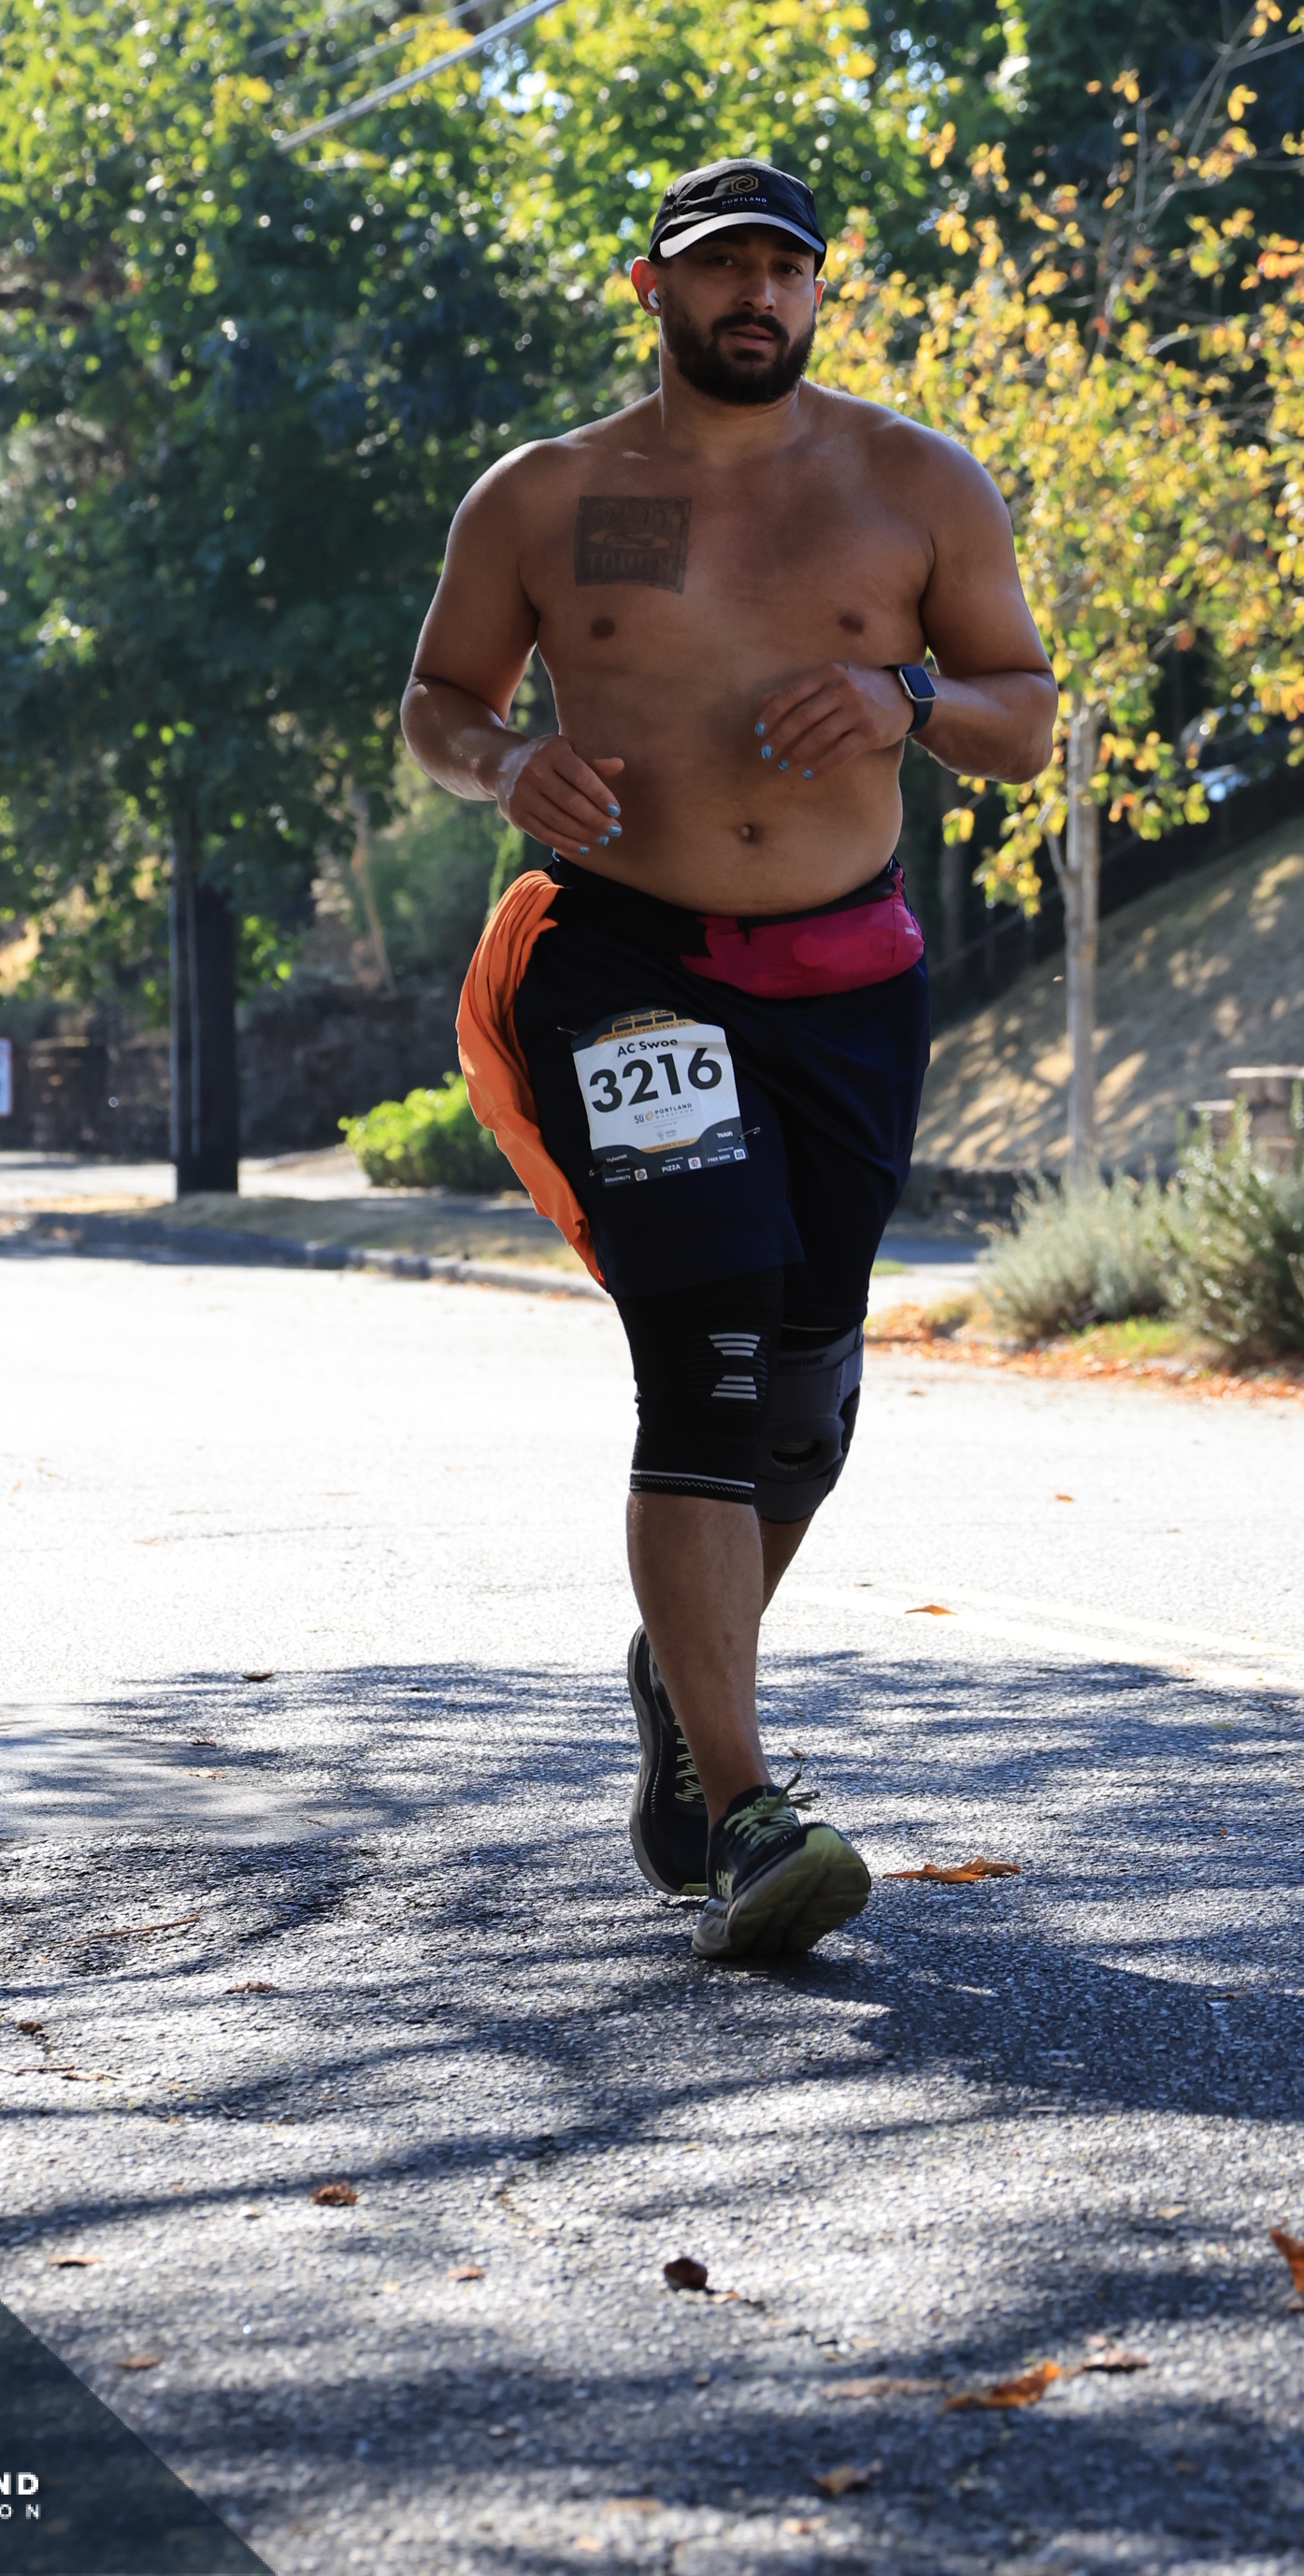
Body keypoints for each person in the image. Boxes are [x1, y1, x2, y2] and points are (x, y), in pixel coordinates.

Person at [402, 156, 1054, 1962]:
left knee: (807, 1398)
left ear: (819, 292)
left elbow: (1023, 715)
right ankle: (749, 1812)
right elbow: (440, 703)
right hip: (625, 964)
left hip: (845, 983)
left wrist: (907, 697)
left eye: (784, 267)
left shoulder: (916, 484)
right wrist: (502, 763)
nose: (754, 293)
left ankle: (683, 1689)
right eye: (718, 267)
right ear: (654, 288)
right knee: (706, 1352)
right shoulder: (547, 496)